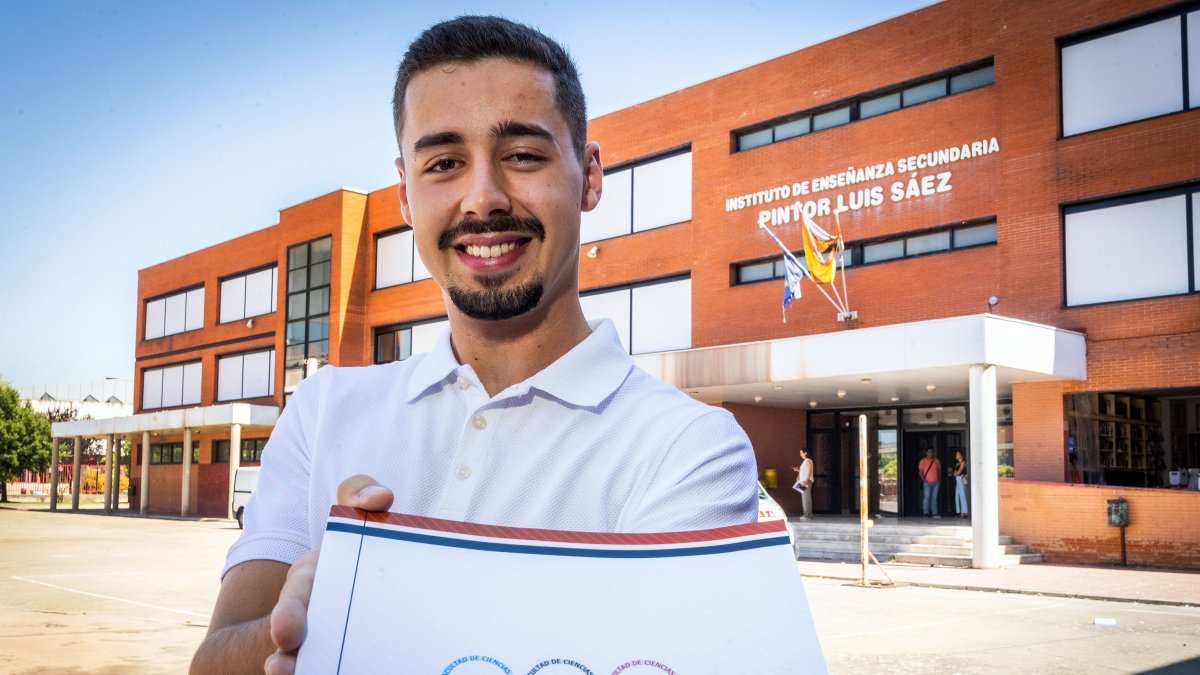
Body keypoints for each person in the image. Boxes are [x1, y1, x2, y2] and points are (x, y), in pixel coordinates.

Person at [190, 16, 758, 675]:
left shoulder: (688, 448)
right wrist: (312, 615)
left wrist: (389, 617)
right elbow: (212, 660)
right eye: (444, 164)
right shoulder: (322, 409)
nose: (483, 198)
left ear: (591, 176)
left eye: (522, 154)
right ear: (405, 193)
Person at [918, 447, 942, 518]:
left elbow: (939, 471)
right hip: (927, 482)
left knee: (934, 498)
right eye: (929, 452)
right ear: (926, 453)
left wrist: (939, 480)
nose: (931, 453)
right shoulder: (923, 461)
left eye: (932, 452)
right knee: (927, 497)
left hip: (936, 482)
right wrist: (924, 480)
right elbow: (920, 472)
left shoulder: (936, 461)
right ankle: (926, 512)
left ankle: (934, 513)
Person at [791, 448, 814, 519]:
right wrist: (798, 470)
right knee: (804, 497)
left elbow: (809, 471)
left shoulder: (808, 461)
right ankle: (806, 514)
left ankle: (808, 514)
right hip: (802, 481)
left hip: (805, 481)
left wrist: (806, 481)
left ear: (805, 453)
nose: (800, 454)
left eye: (801, 453)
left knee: (806, 497)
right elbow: (804, 471)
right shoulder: (805, 461)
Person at [953, 450, 968, 519]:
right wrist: (956, 473)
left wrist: (957, 473)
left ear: (961, 455)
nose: (956, 455)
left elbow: (959, 472)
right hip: (957, 480)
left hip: (961, 479)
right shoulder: (957, 464)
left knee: (963, 495)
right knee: (957, 495)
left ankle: (965, 512)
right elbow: (954, 473)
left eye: (958, 454)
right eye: (956, 454)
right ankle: (959, 511)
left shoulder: (963, 462)